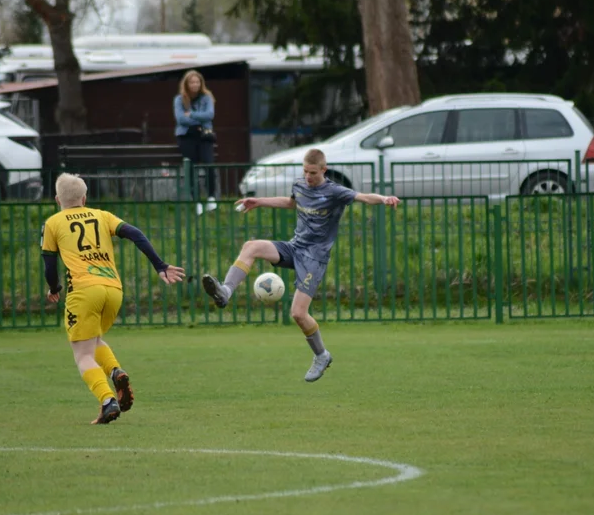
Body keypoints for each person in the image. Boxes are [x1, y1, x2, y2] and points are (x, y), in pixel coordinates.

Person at [201, 148, 400, 383]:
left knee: (297, 313)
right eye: (305, 171)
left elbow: (363, 197)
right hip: (295, 248)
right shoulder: (300, 184)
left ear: (324, 170)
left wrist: (384, 199)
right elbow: (291, 202)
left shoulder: (335, 191)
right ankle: (225, 291)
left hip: (314, 259)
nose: (308, 176)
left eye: (313, 172)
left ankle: (322, 355)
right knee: (250, 247)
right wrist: (259, 202)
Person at [42, 173, 185, 424]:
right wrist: (159, 265)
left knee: (82, 355)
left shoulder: (53, 223)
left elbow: (49, 263)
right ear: (84, 198)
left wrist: (54, 287)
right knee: (95, 340)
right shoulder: (102, 215)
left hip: (84, 291)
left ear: (57, 199)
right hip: (113, 289)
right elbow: (136, 234)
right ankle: (116, 371)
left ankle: (108, 401)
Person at [173, 69, 217, 215]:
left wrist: (191, 114)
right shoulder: (179, 100)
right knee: (191, 168)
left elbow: (209, 115)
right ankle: (196, 200)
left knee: (209, 165)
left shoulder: (207, 97)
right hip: (186, 136)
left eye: (197, 82)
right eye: (192, 82)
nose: (195, 85)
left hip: (204, 135)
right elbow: (181, 119)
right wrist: (199, 118)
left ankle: (211, 198)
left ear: (201, 83)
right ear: (186, 84)